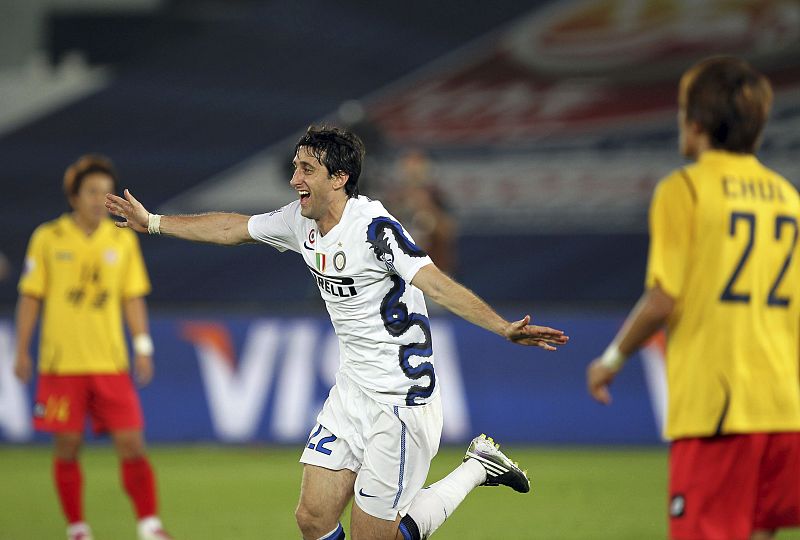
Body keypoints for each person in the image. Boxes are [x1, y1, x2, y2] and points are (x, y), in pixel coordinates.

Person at [105, 125, 569, 540]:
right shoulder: (299, 221)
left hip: (400, 403)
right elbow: (233, 227)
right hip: (351, 393)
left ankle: (476, 468)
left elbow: (436, 284)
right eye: (295, 167)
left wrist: (502, 327)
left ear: (340, 178)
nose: (295, 179)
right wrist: (155, 223)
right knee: (312, 517)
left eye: (307, 169)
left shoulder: (374, 229)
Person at [586, 57, 800, 540]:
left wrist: (610, 360)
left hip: (719, 406)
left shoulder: (684, 189)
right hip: (784, 409)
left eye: (683, 110)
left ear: (697, 122)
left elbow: (664, 299)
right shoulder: (789, 198)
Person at [14, 155, 172, 540]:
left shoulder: (122, 239)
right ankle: (77, 528)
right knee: (67, 446)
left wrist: (143, 346)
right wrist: (21, 350)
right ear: (74, 196)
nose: (100, 200)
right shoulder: (48, 238)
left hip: (109, 362)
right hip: (61, 364)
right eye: (91, 192)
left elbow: (133, 298)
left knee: (132, 443)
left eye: (106, 192)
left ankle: (149, 525)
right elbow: (31, 296)